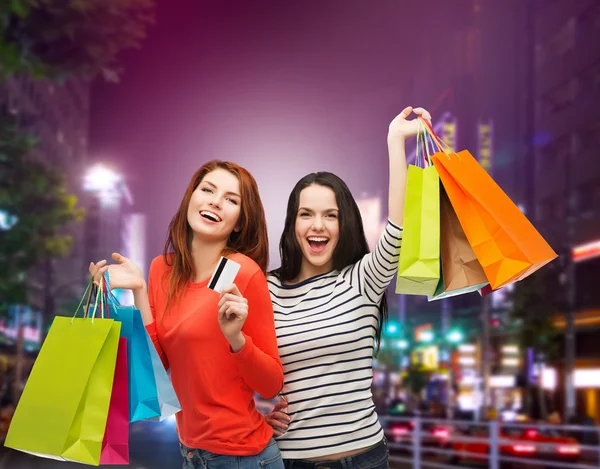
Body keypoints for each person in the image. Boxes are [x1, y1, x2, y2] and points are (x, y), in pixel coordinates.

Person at [90, 160, 285, 469]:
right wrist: (139, 290)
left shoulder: (240, 272)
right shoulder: (162, 269)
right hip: (190, 454)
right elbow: (157, 368)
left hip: (244, 458)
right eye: (207, 189)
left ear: (238, 222)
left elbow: (271, 385)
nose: (215, 201)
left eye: (231, 199)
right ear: (190, 198)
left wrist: (236, 339)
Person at [265, 106, 431, 469]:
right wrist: (255, 419)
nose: (317, 225)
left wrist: (394, 140)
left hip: (365, 460)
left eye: (331, 215)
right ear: (292, 223)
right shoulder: (268, 290)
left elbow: (399, 227)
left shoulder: (362, 279)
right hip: (292, 461)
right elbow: (235, 364)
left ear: (345, 223)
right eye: (306, 214)